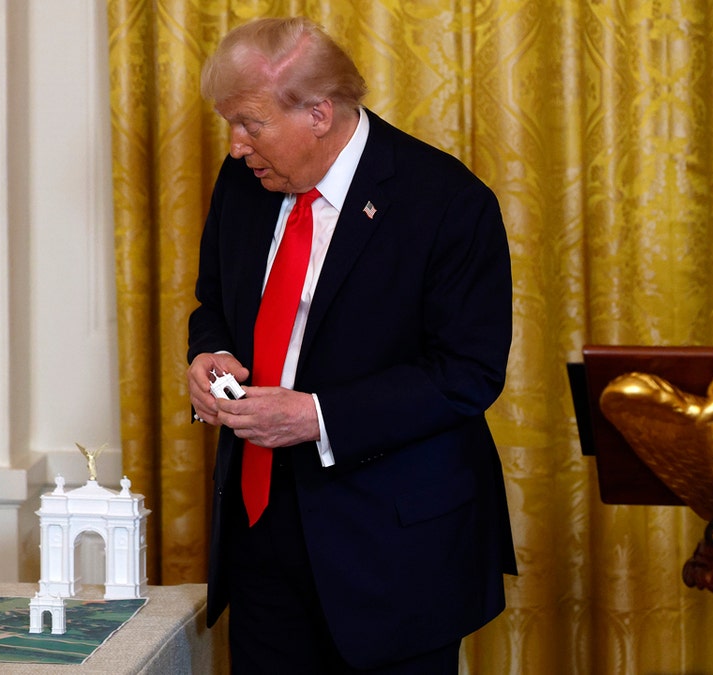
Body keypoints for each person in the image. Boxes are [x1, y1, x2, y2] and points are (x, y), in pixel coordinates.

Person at [186, 17, 516, 674]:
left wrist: (317, 416)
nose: (235, 145)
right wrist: (208, 354)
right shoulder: (244, 183)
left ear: (318, 113)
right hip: (260, 532)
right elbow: (213, 303)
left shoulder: (446, 200)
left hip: (393, 552)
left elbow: (467, 371)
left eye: (250, 124)